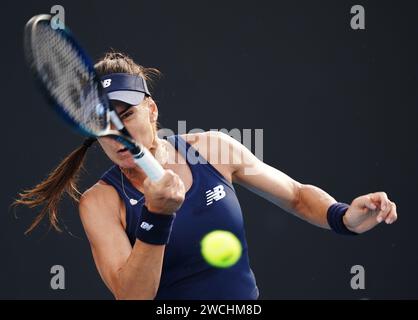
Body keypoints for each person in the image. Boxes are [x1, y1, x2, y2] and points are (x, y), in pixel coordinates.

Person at [14, 51, 398, 300]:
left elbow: (297, 196)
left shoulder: (214, 148)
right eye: (103, 123)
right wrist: (157, 217)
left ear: (150, 110)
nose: (117, 134)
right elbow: (131, 296)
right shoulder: (100, 203)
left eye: (125, 115)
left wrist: (344, 216)